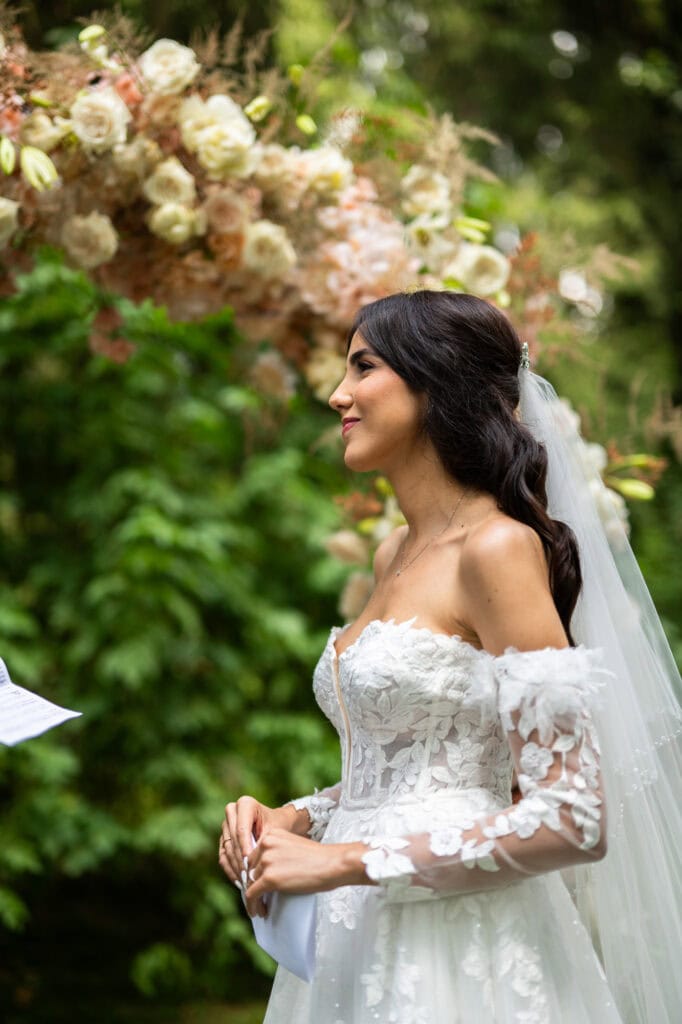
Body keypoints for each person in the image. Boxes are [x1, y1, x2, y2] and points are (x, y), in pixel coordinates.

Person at [219, 291, 682, 1023]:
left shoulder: (497, 548)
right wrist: (296, 819)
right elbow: (428, 772)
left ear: (434, 383)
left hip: (466, 952)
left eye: (363, 367)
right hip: (352, 940)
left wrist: (342, 860)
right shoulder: (392, 552)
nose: (338, 394)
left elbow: (573, 816)